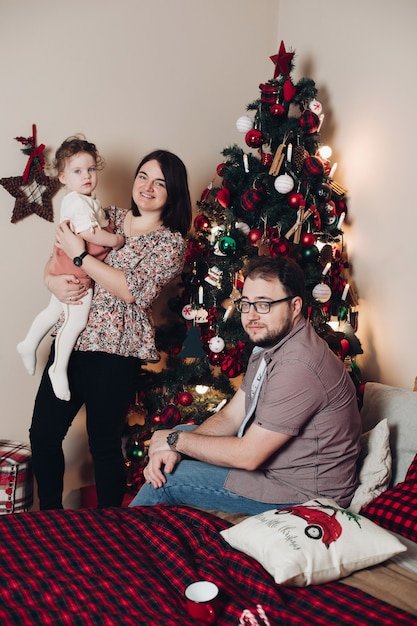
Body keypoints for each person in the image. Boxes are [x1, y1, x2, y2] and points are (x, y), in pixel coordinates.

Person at [130, 256, 362, 515]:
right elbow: (233, 415)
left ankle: (115, 546)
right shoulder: (269, 343)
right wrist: (176, 441)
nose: (251, 316)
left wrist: (173, 440)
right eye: (246, 304)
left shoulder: (299, 364)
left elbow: (249, 456)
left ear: (295, 306)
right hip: (275, 471)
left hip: (303, 494)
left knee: (166, 479)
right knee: (183, 432)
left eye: (264, 304)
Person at [28, 149, 192, 510]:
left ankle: (108, 529)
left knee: (103, 443)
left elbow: (132, 291)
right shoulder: (107, 216)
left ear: (174, 193)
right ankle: (51, 518)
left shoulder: (170, 243)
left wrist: (81, 257)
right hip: (72, 339)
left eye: (160, 182)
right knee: (43, 434)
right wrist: (52, 283)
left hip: (116, 349)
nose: (147, 186)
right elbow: (56, 256)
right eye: (143, 176)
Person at [17, 136, 124, 401]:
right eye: (77, 171)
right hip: (76, 271)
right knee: (75, 321)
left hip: (67, 265)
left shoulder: (87, 200)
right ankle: (58, 368)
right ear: (63, 177)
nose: (86, 175)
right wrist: (116, 240)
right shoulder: (76, 201)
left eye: (90, 169)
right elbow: (90, 233)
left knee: (54, 310)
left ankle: (29, 342)